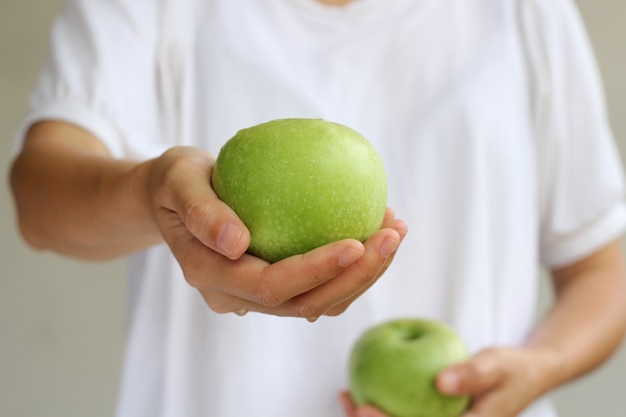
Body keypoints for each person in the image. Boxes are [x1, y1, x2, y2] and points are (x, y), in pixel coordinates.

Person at [9, 0, 626, 416]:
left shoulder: (523, 11)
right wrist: (153, 191)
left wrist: (538, 368)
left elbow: (605, 266)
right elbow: (39, 198)